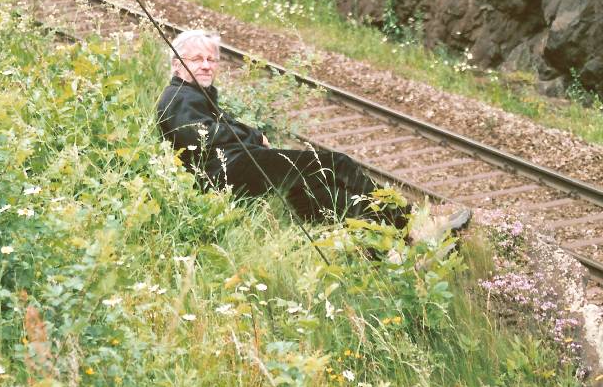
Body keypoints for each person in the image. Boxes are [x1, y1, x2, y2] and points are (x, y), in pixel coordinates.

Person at [156, 30, 471, 238]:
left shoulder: (195, 94)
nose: (207, 66)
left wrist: (252, 134)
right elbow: (202, 136)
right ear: (176, 64)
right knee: (335, 164)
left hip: (235, 167)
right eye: (197, 59)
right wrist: (254, 138)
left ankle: (388, 237)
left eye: (212, 59)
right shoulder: (178, 98)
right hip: (228, 170)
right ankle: (418, 225)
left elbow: (220, 128)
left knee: (311, 192)